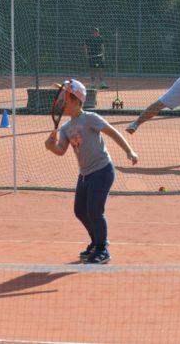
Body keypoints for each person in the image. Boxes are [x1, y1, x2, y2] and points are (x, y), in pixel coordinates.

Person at [44, 79, 138, 263]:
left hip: (102, 170)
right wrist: (51, 146)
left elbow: (112, 132)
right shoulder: (65, 128)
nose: (61, 101)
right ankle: (96, 241)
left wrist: (129, 151)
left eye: (64, 98)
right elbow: (61, 150)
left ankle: (103, 250)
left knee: (94, 210)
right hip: (85, 174)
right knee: (80, 210)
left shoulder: (90, 118)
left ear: (76, 100)